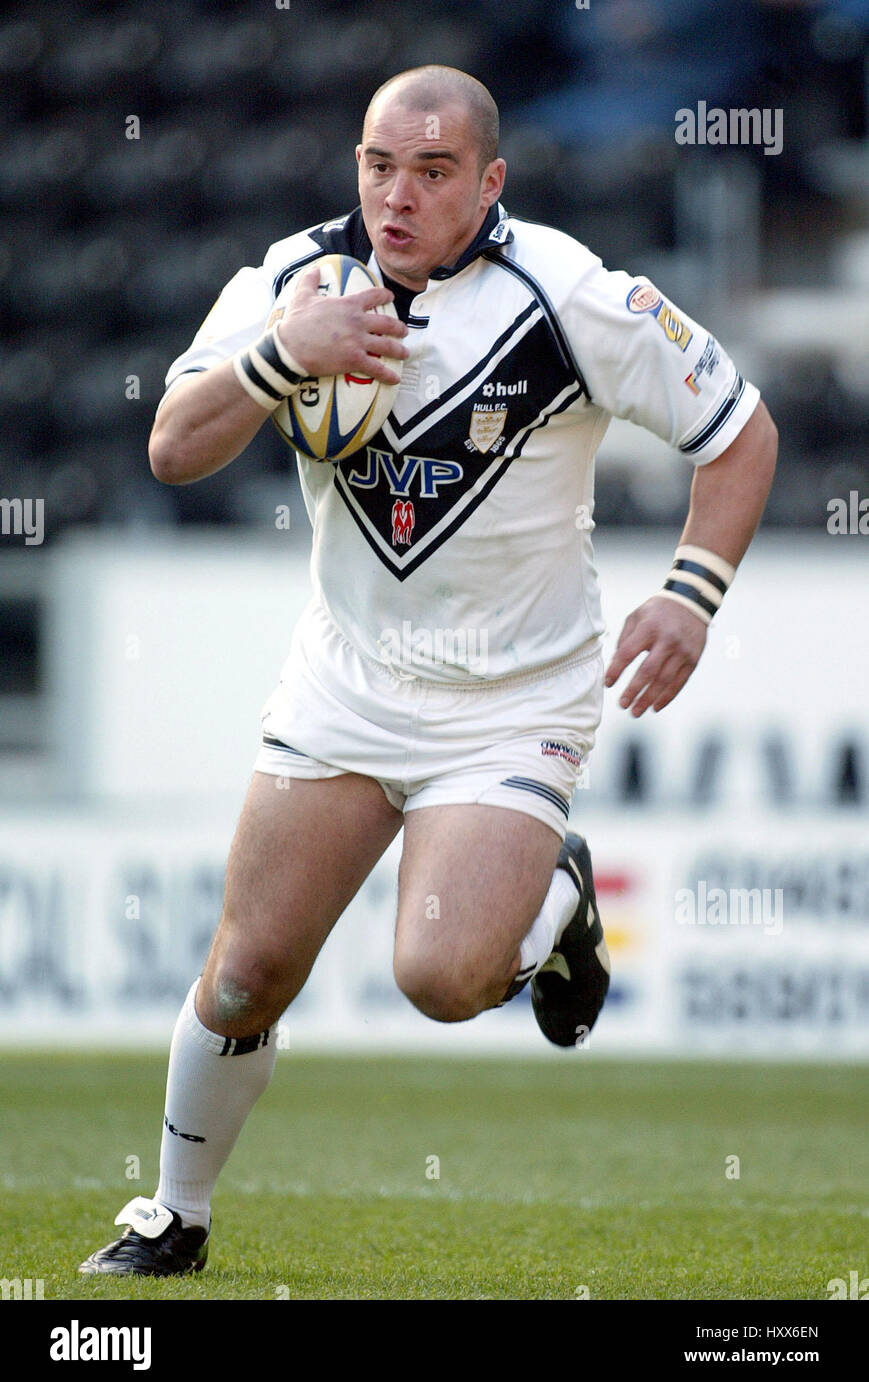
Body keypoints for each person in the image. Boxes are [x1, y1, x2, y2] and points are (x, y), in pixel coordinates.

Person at [79, 65, 777, 1276]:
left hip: (511, 701)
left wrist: (689, 594)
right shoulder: (293, 279)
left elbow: (740, 430)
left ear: (490, 180)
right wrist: (274, 357)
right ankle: (173, 1217)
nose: (395, 195)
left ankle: (552, 905)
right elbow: (170, 446)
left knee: (443, 980)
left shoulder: (566, 294)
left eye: (433, 170)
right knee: (244, 976)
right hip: (346, 685)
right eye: (375, 164)